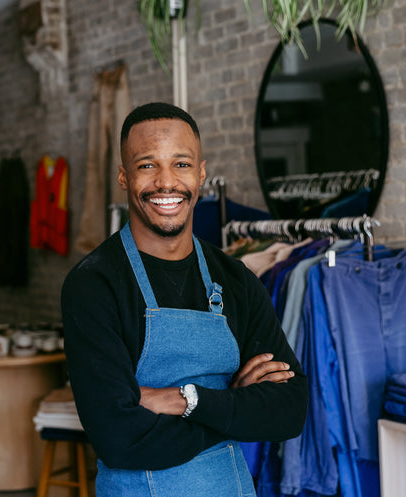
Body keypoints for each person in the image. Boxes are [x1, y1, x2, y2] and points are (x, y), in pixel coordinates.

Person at [61, 102, 308, 496]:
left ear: (201, 173)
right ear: (124, 177)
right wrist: (233, 406)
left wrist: (186, 399)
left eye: (180, 164)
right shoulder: (94, 284)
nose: (165, 182)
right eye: (146, 165)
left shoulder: (236, 280)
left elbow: (289, 411)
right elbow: (117, 435)